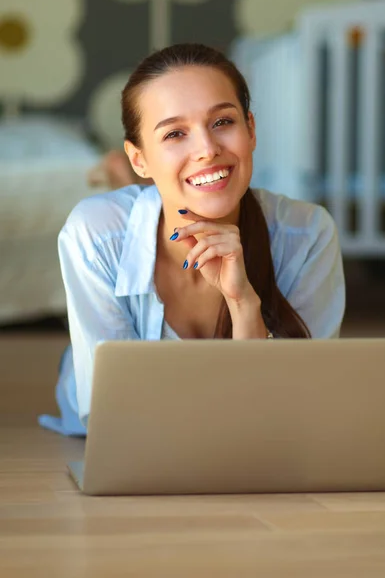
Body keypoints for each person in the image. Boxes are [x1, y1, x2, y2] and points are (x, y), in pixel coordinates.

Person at [38, 43, 346, 436]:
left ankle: (137, 181)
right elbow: (112, 416)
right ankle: (127, 184)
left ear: (251, 130)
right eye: (175, 133)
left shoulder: (307, 234)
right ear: (140, 158)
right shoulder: (94, 233)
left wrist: (244, 304)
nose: (207, 149)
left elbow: (299, 410)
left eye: (222, 123)